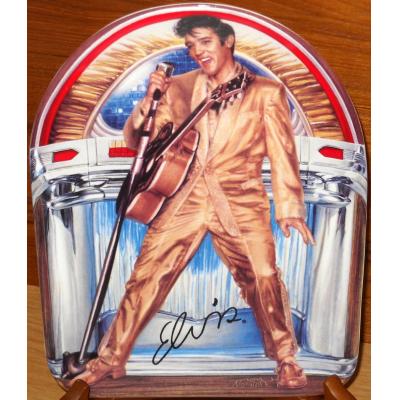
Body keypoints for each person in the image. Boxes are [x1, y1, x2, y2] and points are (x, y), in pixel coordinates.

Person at [71, 15, 315, 389]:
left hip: (240, 199)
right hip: (185, 196)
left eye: (204, 41)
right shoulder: (180, 88)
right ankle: (110, 359)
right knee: (145, 276)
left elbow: (283, 152)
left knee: (264, 277)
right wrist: (149, 101)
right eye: (190, 45)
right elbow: (140, 142)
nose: (197, 51)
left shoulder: (266, 92)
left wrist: (290, 208)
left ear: (227, 41)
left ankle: (285, 358)